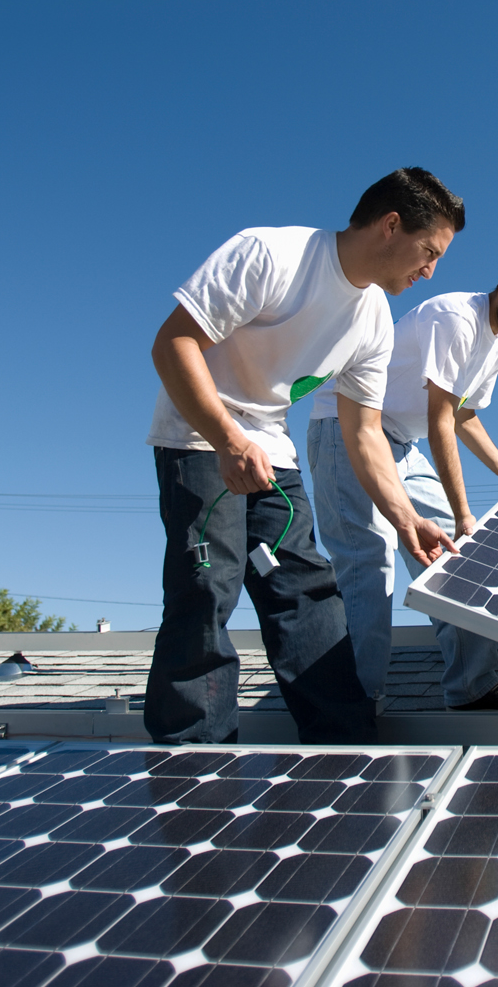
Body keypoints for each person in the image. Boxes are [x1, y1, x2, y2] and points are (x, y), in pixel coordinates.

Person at [144, 168, 463, 745]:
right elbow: (173, 343)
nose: (430, 270)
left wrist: (406, 517)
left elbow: (363, 433)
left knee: (306, 588)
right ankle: (192, 765)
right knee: (207, 586)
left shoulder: (373, 323)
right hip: (198, 435)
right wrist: (225, 437)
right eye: (429, 252)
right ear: (392, 225)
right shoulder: (272, 253)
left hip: (269, 447)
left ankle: (344, 749)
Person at [307, 250, 498, 712]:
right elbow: (441, 422)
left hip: (400, 444)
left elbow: (465, 415)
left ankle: (473, 687)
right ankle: (354, 708)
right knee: (369, 566)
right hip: (345, 428)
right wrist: (465, 512)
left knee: (457, 555)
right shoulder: (455, 318)